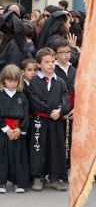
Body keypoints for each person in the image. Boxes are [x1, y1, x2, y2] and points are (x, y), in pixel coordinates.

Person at [27, 47, 70, 192]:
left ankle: (55, 177)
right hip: (40, 120)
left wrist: (60, 110)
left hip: (56, 120)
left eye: (53, 61)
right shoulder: (34, 82)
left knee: (56, 148)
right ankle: (37, 177)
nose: (51, 64)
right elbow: (34, 101)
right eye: (47, 62)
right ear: (39, 64)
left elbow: (66, 100)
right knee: (38, 148)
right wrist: (49, 110)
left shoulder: (60, 82)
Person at [0, 65, 30, 194]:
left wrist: (20, 130)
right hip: (3, 131)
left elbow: (26, 115)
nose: (13, 84)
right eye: (9, 81)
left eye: (15, 81)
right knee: (1, 156)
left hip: (18, 130)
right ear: (3, 81)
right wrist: (6, 129)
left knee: (18, 156)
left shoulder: (22, 96)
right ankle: (1, 182)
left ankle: (18, 182)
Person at [53, 39, 76, 169]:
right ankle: (59, 165)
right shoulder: (53, 69)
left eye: (68, 51)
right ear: (56, 55)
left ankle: (72, 163)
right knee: (59, 139)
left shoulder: (74, 69)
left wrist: (76, 108)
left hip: (74, 108)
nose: (67, 55)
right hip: (58, 108)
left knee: (74, 138)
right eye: (62, 52)